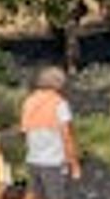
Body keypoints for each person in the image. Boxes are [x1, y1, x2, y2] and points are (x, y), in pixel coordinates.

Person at [20, 66, 81, 198]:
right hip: (54, 162)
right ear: (58, 83)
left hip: (33, 158)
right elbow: (67, 136)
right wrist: (74, 164)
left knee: (33, 194)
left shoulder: (29, 101)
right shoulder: (59, 103)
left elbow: (24, 131)